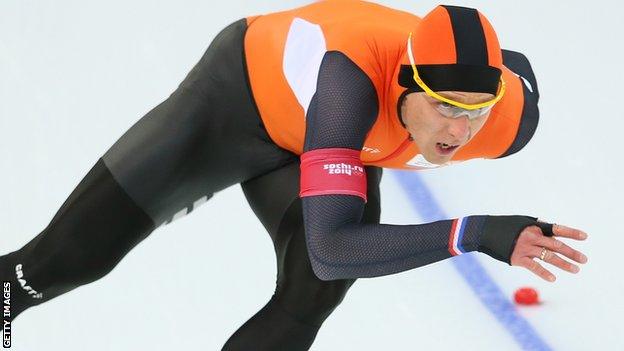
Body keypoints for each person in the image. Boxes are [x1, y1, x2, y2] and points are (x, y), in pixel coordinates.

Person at [1, 1, 588, 350]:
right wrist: (476, 231)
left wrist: (478, 102)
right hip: (237, 107)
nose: (460, 133)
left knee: (315, 288)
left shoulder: (504, 121)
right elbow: (334, 246)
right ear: (405, 83)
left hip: (329, 145)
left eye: (475, 112)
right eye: (444, 108)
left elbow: (520, 71)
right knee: (67, 260)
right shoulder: (347, 86)